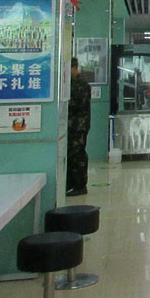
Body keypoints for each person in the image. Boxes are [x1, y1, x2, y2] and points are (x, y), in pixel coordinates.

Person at [67, 57, 91, 196]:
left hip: (79, 126)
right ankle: (71, 184)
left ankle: (80, 185)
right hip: (72, 126)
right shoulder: (70, 83)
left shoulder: (81, 84)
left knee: (78, 155)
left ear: (75, 68)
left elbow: (78, 106)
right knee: (71, 155)